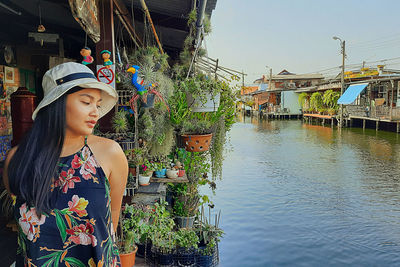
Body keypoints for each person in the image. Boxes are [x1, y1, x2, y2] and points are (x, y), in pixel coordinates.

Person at [2, 62, 128, 266]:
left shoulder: (109, 154)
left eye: (97, 104)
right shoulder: (18, 159)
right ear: (56, 103)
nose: (95, 111)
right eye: (86, 102)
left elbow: (112, 217)